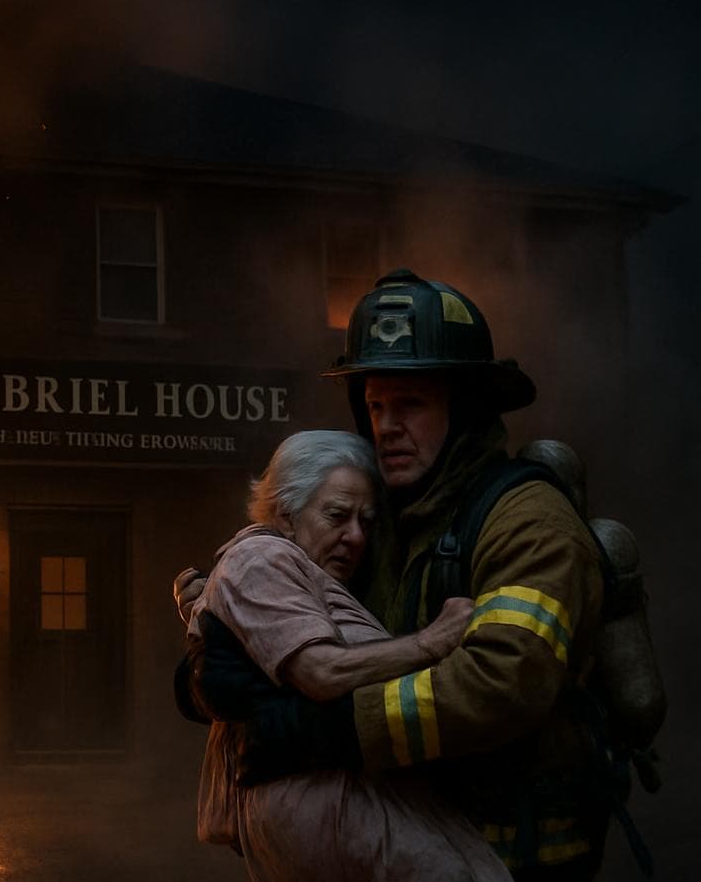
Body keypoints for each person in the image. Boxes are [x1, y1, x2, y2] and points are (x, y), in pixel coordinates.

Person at [194, 269, 608, 880]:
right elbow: (299, 615)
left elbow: (503, 679)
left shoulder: (527, 521)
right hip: (398, 841)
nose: (387, 425)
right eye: (376, 404)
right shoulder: (383, 523)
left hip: (515, 849)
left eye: (410, 404)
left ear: (464, 407)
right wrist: (212, 671)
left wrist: (338, 729)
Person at [185, 430, 507, 880]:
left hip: (348, 795)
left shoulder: (296, 567)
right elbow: (321, 670)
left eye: (366, 521)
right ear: (286, 514)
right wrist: (432, 641)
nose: (355, 536)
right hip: (327, 802)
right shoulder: (261, 557)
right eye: (337, 516)